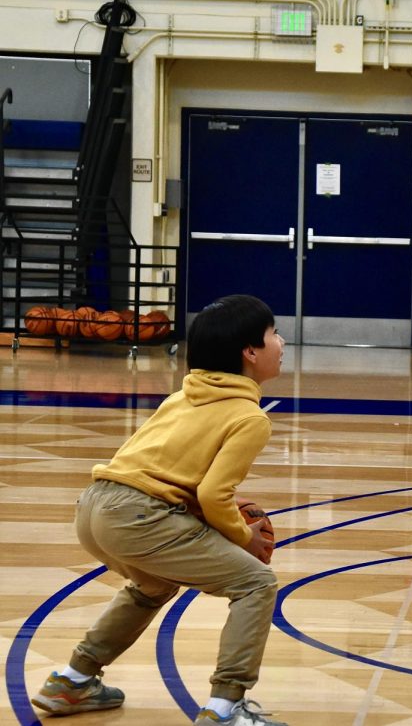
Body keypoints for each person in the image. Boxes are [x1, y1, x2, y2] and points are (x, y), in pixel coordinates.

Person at [31, 295, 289, 726]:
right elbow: (213, 495)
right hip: (139, 517)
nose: (280, 341)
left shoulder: (179, 399)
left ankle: (72, 681)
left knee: (153, 586)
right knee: (257, 583)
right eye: (272, 334)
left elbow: (151, 468)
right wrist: (245, 538)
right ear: (250, 352)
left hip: (93, 506)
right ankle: (225, 708)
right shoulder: (249, 417)